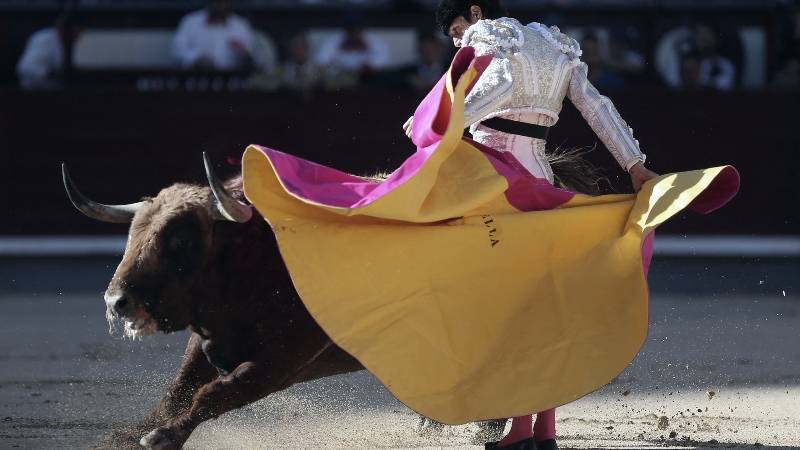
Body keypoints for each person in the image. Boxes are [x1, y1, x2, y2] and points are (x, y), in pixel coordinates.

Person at [402, 1, 658, 449]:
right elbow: (597, 108)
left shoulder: (489, 36)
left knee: (446, 283)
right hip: (541, 184)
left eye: (459, 29)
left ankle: (485, 409)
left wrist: (445, 121)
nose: (459, 41)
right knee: (541, 309)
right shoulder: (556, 44)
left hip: (492, 185)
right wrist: (634, 165)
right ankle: (539, 431)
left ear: (475, 13)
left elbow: (500, 87)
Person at [172, 0, 258, 72]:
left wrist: (245, 57)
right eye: (216, 2)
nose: (219, 5)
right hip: (197, 76)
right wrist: (196, 59)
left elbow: (251, 53)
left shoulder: (241, 25)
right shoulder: (190, 21)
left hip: (233, 79)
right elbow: (178, 49)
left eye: (222, 2)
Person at [16, 12, 81, 89]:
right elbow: (26, 68)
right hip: (34, 87)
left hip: (56, 87)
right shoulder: (45, 39)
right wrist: (51, 74)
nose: (77, 33)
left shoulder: (74, 42)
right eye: (73, 30)